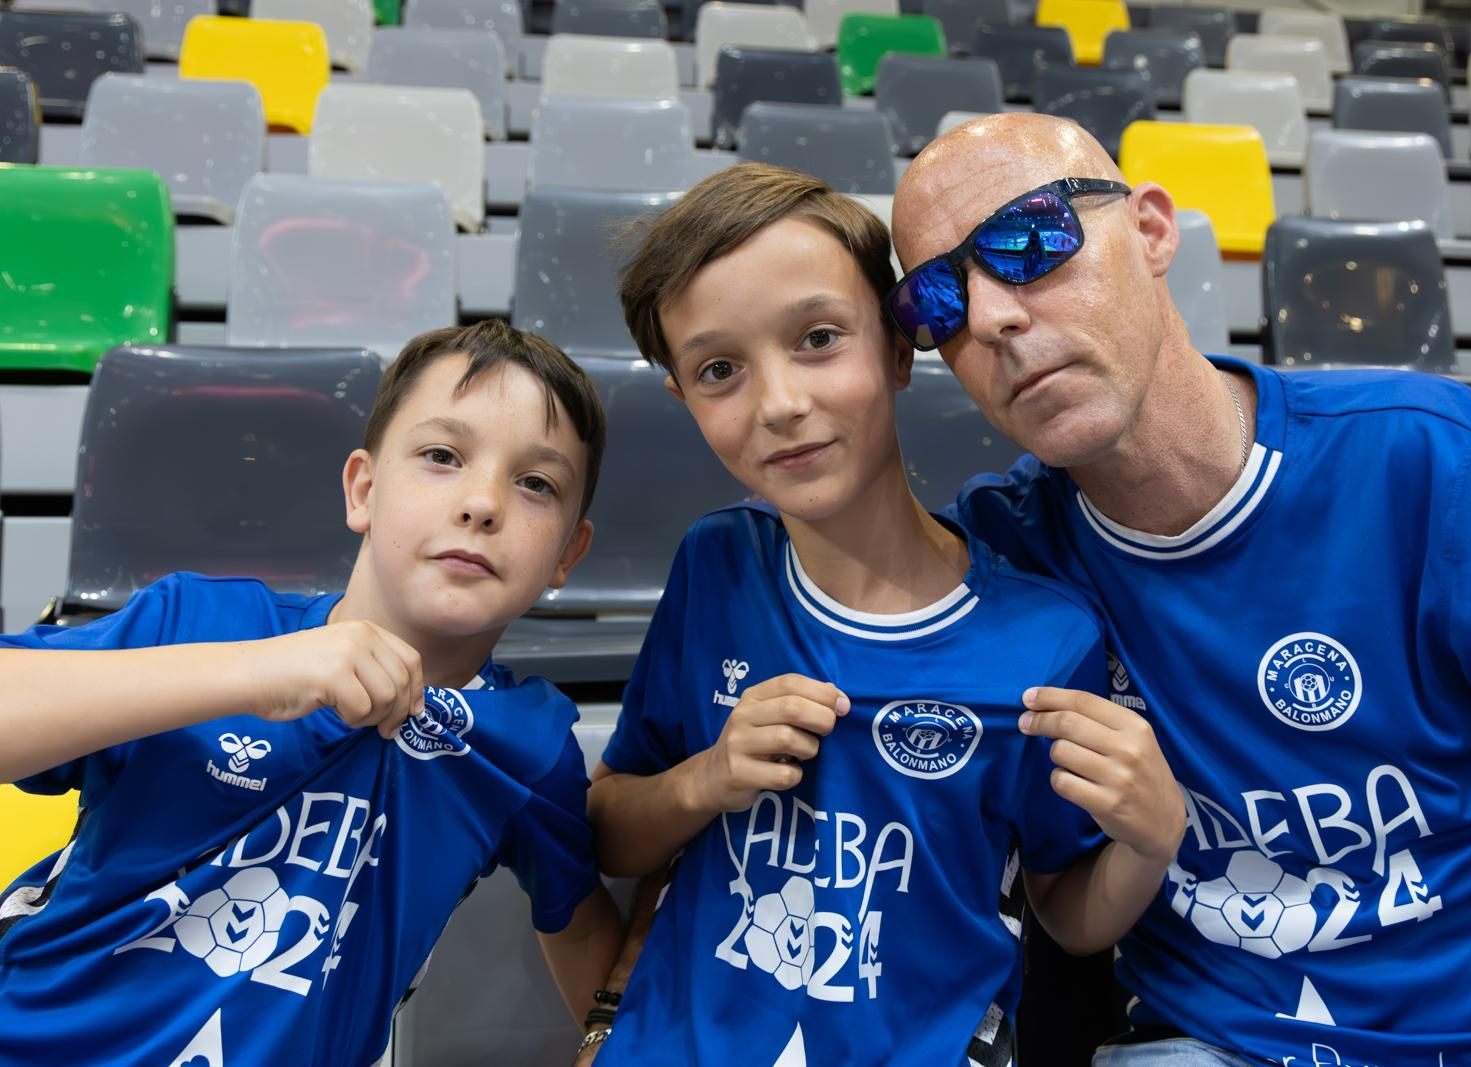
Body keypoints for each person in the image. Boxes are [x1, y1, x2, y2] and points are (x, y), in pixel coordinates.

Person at [888, 111, 1471, 1066]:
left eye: (1028, 241)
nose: (991, 317)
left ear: (1149, 232)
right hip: (1204, 1044)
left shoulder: (1437, 465)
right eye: (936, 302)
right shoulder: (1000, 557)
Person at [582, 161, 1185, 1066]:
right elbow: (612, 826)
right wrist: (705, 779)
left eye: (820, 338)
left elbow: (1066, 912)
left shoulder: (1046, 633)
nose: (781, 403)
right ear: (682, 398)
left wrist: (1151, 838)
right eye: (719, 369)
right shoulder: (718, 564)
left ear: (902, 348)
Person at [0, 320, 623, 1066]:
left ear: (568, 554)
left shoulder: (527, 743)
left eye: (536, 483)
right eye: (441, 456)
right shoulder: (201, 621)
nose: (483, 502)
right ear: (363, 489)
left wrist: (606, 1037)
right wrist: (261, 671)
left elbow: (581, 925)